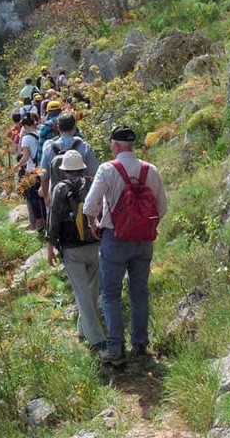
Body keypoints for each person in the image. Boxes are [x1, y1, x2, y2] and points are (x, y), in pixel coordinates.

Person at [83, 125, 167, 366]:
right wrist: (146, 225)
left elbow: (90, 206)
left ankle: (116, 349)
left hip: (115, 239)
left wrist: (94, 223)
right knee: (139, 291)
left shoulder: (107, 169)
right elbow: (162, 207)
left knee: (110, 295)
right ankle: (141, 344)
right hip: (143, 242)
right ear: (132, 145)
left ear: (115, 146)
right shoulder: (150, 170)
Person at [45, 150, 105, 352]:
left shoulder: (60, 188)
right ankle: (82, 331)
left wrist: (50, 247)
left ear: (65, 171)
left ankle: (97, 340)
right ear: (82, 167)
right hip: (95, 244)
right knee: (92, 291)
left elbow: (54, 220)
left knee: (82, 295)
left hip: (72, 250)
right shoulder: (93, 183)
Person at [39, 112, 98, 208]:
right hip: (81, 196)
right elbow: (94, 174)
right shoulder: (84, 147)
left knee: (56, 221)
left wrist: (46, 196)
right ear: (74, 127)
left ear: (58, 128)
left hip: (56, 196)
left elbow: (44, 177)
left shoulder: (48, 147)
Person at [13, 112, 47, 232]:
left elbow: (25, 157)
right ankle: (47, 219)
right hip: (42, 169)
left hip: (32, 171)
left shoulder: (26, 138)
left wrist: (16, 166)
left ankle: (39, 221)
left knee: (33, 197)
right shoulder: (40, 134)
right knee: (43, 195)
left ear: (25, 126)